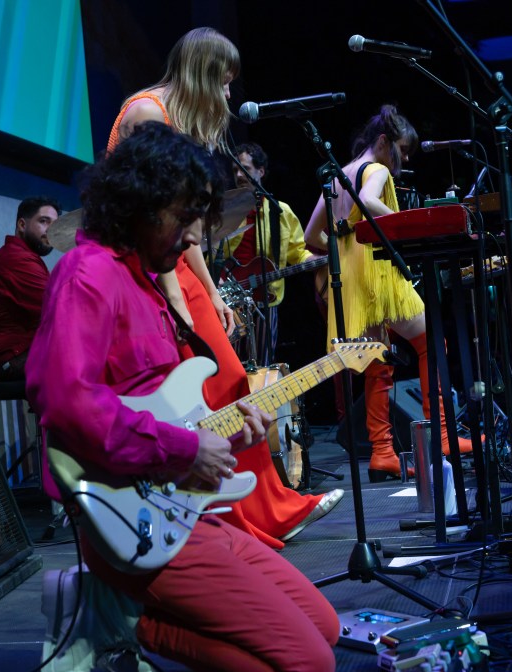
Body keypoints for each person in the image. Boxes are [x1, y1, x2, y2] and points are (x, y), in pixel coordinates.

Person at [27, 122, 338, 672]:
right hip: (133, 521)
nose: (195, 236)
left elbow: (157, 406)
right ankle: (123, 620)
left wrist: (227, 432)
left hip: (183, 506)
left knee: (327, 628)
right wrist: (185, 450)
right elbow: (67, 403)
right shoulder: (88, 275)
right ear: (141, 204)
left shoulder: (146, 281)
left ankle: (130, 621)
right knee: (309, 666)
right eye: (184, 216)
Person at [107, 27, 341, 545]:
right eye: (225, 81)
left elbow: (182, 225)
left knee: (232, 384)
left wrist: (211, 293)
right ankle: (239, 518)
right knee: (207, 395)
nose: (229, 94)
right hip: (151, 272)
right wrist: (175, 297)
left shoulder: (168, 118)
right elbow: (153, 220)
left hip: (175, 268)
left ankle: (270, 510)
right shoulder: (147, 114)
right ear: (204, 74)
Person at [304, 104, 470, 481]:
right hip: (378, 272)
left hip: (351, 280)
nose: (404, 159)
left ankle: (382, 453)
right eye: (402, 149)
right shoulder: (375, 169)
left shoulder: (338, 176)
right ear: (383, 142)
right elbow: (367, 200)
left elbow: (311, 235)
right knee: (431, 342)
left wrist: (343, 246)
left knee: (378, 360)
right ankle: (443, 438)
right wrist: (406, 225)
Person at [222, 142, 322, 365]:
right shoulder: (225, 209)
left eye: (245, 169)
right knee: (230, 365)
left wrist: (318, 260)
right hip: (227, 298)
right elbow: (209, 253)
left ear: (261, 171)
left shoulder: (280, 212)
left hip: (263, 299)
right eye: (235, 170)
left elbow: (297, 252)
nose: (239, 175)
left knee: (262, 365)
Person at [0, 196, 60, 381]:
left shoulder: (21, 256)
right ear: (22, 225)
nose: (51, 230)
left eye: (55, 225)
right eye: (44, 221)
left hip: (21, 353)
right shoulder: (18, 260)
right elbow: (59, 310)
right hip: (15, 358)